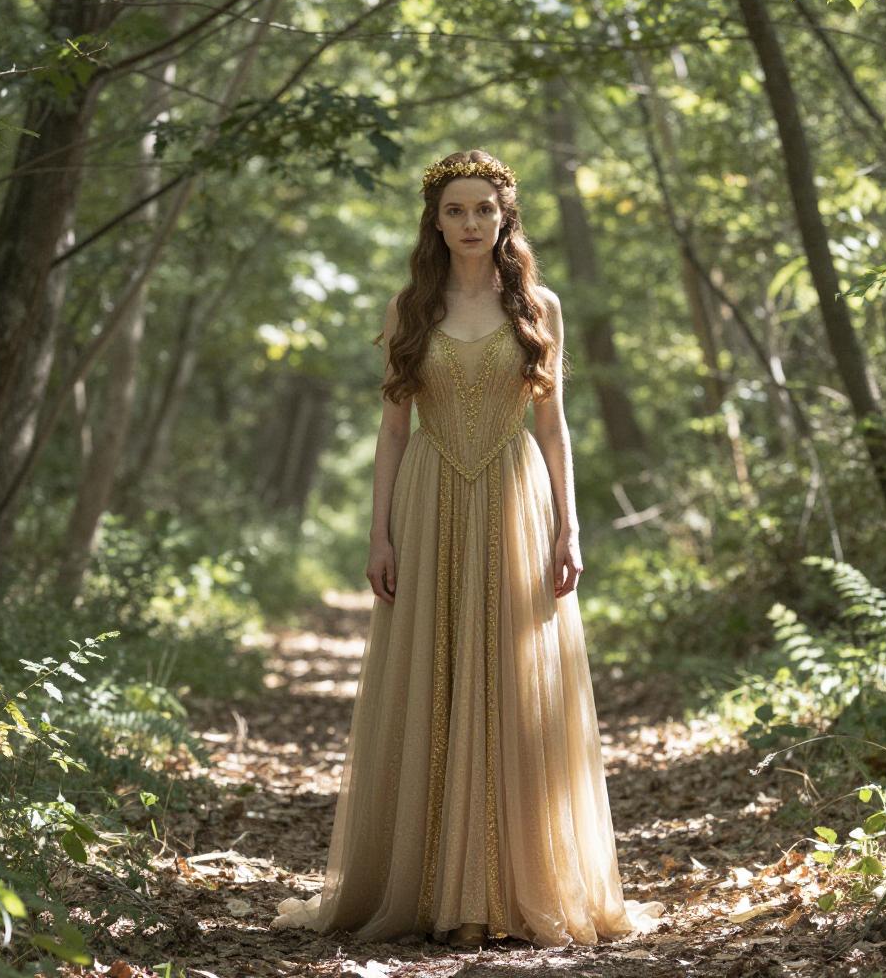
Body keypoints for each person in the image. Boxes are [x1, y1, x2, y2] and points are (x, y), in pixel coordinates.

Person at [269, 149, 663, 949]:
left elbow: (553, 428)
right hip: (430, 492)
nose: (472, 223)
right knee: (434, 671)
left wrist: (570, 525)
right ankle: (423, 884)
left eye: (485, 209)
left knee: (516, 676)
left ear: (505, 215)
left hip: (517, 498)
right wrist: (378, 533)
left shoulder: (538, 305)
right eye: (456, 210)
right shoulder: (410, 307)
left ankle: (517, 885)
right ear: (436, 221)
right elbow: (390, 431)